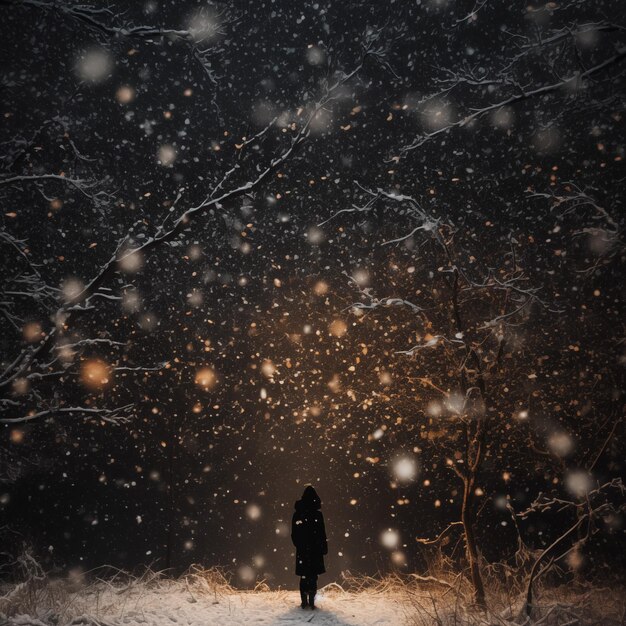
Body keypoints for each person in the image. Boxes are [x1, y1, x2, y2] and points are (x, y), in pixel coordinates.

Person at [290, 485, 328, 609]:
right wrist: (322, 547)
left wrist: (300, 544)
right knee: (313, 576)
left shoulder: (297, 514)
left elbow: (294, 534)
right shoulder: (317, 515)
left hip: (303, 550)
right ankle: (311, 601)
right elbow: (322, 533)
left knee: (304, 575)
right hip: (315, 550)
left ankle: (304, 602)